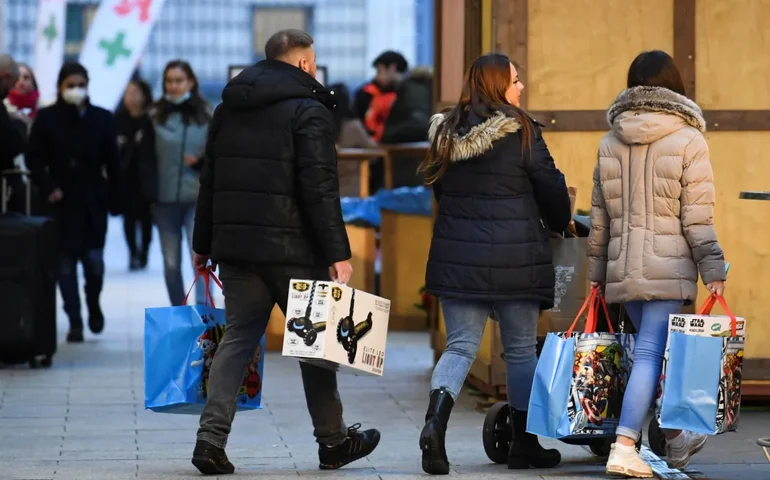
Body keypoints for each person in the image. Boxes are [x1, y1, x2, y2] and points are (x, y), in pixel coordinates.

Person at [190, 29, 380, 475]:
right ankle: (333, 442)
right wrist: (338, 251)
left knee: (237, 340)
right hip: (294, 250)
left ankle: (209, 441)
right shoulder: (309, 112)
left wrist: (202, 245)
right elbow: (318, 188)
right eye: (312, 60)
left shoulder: (228, 109)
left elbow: (210, 183)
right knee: (314, 348)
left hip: (237, 249)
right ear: (302, 64)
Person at [418, 53, 572, 474]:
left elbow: (441, 193)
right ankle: (524, 445)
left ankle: (434, 425)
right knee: (520, 351)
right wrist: (559, 223)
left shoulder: (446, 132)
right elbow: (551, 186)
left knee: (460, 347)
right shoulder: (521, 130)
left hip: (459, 257)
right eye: (516, 80)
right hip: (515, 256)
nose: (521, 87)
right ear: (498, 84)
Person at [588, 50, 726, 478]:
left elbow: (599, 220)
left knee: (654, 355)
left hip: (623, 271)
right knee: (651, 354)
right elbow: (697, 218)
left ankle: (676, 440)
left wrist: (595, 277)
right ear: (675, 85)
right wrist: (714, 269)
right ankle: (625, 444)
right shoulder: (689, 140)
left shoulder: (609, 141)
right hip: (669, 271)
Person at [26, 62, 120, 343]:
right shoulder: (46, 118)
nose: (76, 90)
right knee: (64, 265)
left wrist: (115, 197)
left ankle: (93, 303)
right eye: (70, 85)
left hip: (92, 201)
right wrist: (49, 186)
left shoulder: (102, 118)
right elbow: (35, 159)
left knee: (94, 263)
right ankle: (75, 319)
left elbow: (113, 162)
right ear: (60, 87)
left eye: (81, 84)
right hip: (60, 202)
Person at [147, 60, 211, 305]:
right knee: (171, 264)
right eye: (169, 81)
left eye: (179, 80)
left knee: (200, 261)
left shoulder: (205, 114)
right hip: (164, 200)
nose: (173, 86)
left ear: (190, 82)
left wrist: (200, 163)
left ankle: (204, 317)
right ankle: (178, 313)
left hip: (197, 198)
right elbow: (145, 157)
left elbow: (218, 154)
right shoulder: (154, 115)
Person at [116, 78, 154, 270]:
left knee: (146, 219)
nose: (131, 97)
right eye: (127, 92)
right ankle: (132, 252)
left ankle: (145, 251)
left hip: (146, 177)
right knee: (129, 218)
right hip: (126, 177)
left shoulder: (151, 119)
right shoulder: (118, 119)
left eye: (135, 92)